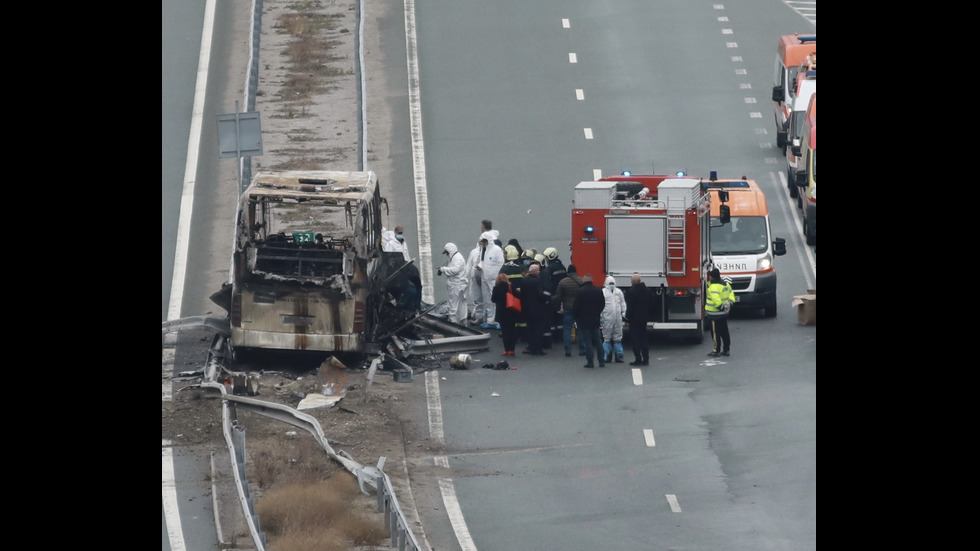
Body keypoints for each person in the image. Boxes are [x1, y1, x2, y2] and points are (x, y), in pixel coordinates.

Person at [573, 274, 606, 368]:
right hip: (595, 319)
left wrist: (577, 317)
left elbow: (576, 306)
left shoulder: (580, 291)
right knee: (598, 340)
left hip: (584, 320)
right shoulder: (598, 290)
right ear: (592, 280)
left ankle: (590, 362)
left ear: (584, 281)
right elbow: (602, 304)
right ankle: (601, 361)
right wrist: (597, 313)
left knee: (588, 341)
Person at [553, 264, 585, 357]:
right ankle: (582, 350)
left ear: (568, 272)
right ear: (576, 271)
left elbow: (558, 297)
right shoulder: (581, 281)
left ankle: (568, 351)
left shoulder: (563, 282)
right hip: (579, 308)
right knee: (581, 329)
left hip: (567, 308)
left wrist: (556, 306)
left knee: (567, 329)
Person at [517, 263, 548, 355]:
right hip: (537, 310)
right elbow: (540, 295)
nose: (539, 272)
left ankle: (531, 347)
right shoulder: (537, 281)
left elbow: (522, 295)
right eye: (538, 270)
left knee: (530, 329)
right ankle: (538, 348)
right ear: (535, 272)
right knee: (538, 329)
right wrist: (545, 300)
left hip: (527, 309)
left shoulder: (523, 281)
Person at [477, 232, 505, 329]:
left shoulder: (497, 250)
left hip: (494, 279)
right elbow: (483, 261)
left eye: (484, 241)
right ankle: (490, 320)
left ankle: (498, 320)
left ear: (487, 241)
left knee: (496, 299)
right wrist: (480, 266)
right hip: (485, 277)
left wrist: (499, 277)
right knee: (488, 300)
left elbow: (501, 263)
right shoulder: (484, 250)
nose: (482, 243)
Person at [705, 268, 735, 357]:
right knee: (724, 331)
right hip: (723, 314)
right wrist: (728, 304)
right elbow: (731, 295)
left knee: (715, 333)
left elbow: (716, 300)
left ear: (712, 277)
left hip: (714, 314)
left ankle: (716, 350)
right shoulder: (725, 284)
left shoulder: (713, 287)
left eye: (710, 275)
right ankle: (726, 349)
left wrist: (720, 307)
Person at [624, 272, 652, 366]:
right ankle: (646, 359)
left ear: (633, 282)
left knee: (635, 339)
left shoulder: (631, 292)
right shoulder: (647, 291)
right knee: (643, 338)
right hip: (644, 318)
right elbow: (650, 304)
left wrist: (626, 319)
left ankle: (638, 358)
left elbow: (630, 307)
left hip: (634, 319)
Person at [437, 242, 468, 324]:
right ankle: (462, 320)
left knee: (453, 303)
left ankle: (453, 320)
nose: (446, 255)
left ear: (449, 251)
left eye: (446, 253)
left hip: (456, 285)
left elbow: (455, 270)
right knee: (461, 303)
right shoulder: (455, 257)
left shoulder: (457, 258)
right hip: (460, 284)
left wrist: (443, 269)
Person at [490, 272, 519, 356]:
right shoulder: (510, 287)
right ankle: (512, 349)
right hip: (511, 311)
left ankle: (507, 350)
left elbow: (493, 300)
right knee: (512, 330)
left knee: (505, 332)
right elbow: (517, 296)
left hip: (501, 313)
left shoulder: (496, 288)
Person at [601, 275, 627, 363]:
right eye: (610, 283)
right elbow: (600, 305)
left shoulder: (618, 292)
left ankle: (619, 356)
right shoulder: (603, 292)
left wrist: (624, 311)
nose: (611, 285)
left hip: (618, 318)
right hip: (607, 318)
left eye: (612, 283)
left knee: (618, 337)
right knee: (607, 337)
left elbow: (623, 302)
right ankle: (606, 356)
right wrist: (600, 316)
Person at [464, 238, 485, 324]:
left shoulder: (488, 252)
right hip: (475, 278)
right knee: (477, 298)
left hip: (485, 277)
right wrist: (464, 277)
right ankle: (479, 316)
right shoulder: (474, 252)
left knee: (488, 298)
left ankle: (489, 318)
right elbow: (468, 266)